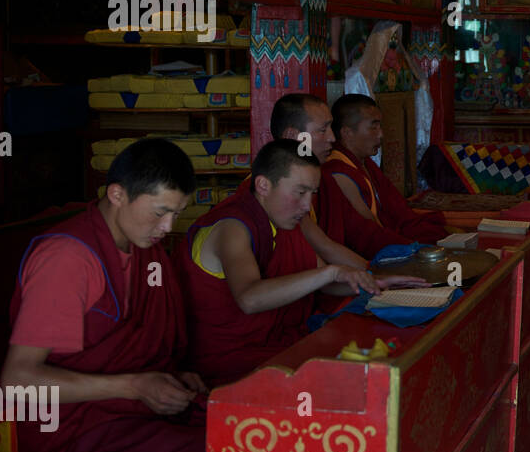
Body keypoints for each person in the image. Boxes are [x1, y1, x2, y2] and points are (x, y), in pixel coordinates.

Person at [1, 138, 206, 452]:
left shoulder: (145, 250)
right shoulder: (69, 259)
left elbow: (140, 344)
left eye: (177, 214)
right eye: (160, 212)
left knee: (237, 433)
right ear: (117, 194)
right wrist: (134, 385)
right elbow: (17, 382)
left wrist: (168, 378)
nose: (168, 227)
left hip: (129, 412)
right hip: (74, 433)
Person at [179, 140, 425, 387]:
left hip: (278, 344)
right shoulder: (232, 226)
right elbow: (250, 298)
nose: (307, 205)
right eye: (300, 192)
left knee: (384, 350)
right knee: (353, 379)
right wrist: (331, 273)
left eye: (312, 194)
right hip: (232, 361)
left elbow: (323, 282)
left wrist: (374, 282)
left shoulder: (281, 220)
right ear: (263, 185)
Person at [270, 93, 441, 259]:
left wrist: (411, 254)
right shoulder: (269, 190)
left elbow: (359, 232)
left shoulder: (325, 181)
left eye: (330, 128)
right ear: (292, 136)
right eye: (323, 130)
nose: (331, 137)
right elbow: (319, 256)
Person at [325, 94, 447, 243]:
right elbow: (369, 231)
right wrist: (410, 248)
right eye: (373, 127)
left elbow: (397, 212)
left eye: (380, 126)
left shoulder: (364, 162)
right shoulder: (338, 171)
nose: (381, 134)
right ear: (347, 133)